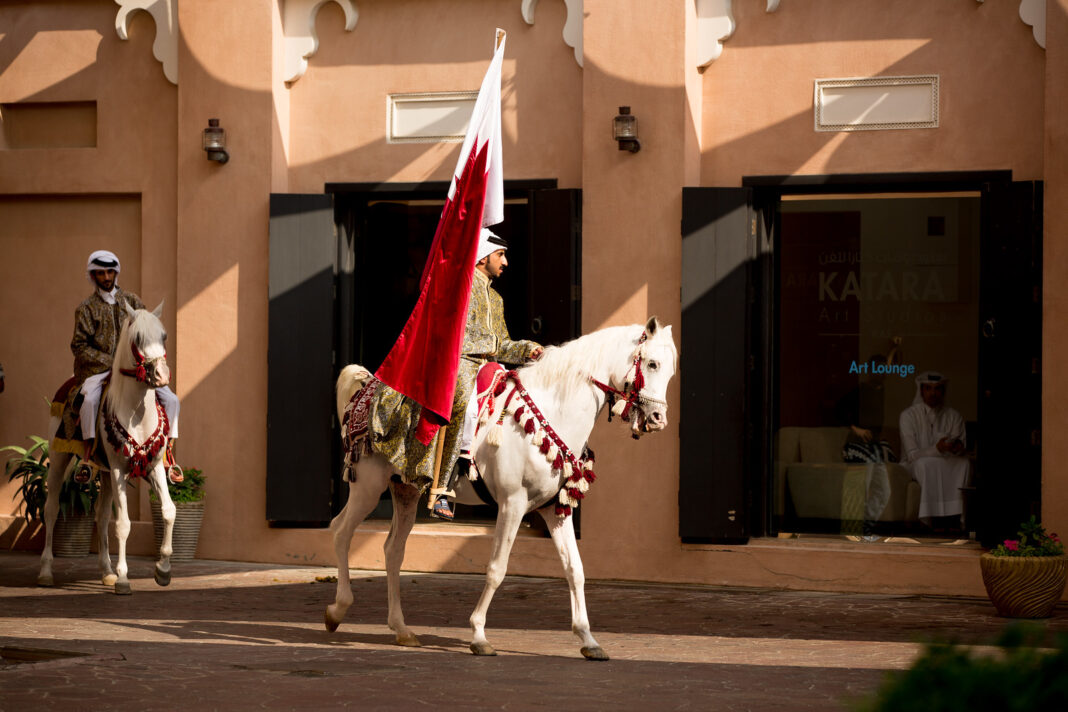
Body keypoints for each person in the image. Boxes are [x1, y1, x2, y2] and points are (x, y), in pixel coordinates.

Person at [430, 228, 543, 520]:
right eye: (500, 255)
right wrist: (492, 347)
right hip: (460, 365)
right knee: (462, 405)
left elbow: (501, 345)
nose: (505, 263)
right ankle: (443, 488)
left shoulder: (496, 299)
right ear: (482, 258)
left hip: (488, 369)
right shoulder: (459, 288)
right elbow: (450, 334)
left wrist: (528, 350)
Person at [72, 250, 181, 482]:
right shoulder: (86, 308)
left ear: (116, 273)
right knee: (90, 401)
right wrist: (111, 362)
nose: (106, 276)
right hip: (98, 371)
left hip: (134, 369)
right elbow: (79, 346)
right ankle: (88, 457)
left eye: (110, 271)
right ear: (93, 275)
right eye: (100, 272)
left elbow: (148, 332)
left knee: (172, 400)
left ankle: (167, 455)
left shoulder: (132, 301)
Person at [898, 371, 969, 532]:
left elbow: (961, 448)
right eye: (928, 388)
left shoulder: (953, 416)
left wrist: (956, 448)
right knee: (924, 464)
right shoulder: (908, 415)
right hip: (913, 464)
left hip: (946, 462)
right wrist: (937, 449)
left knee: (964, 463)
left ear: (943, 392)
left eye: (937, 389)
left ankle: (956, 518)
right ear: (921, 390)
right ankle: (929, 520)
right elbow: (912, 455)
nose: (933, 393)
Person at [834, 355, 892, 541]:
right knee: (859, 489)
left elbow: (893, 362)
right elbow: (839, 408)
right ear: (870, 370)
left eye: (884, 369)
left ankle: (864, 530)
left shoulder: (881, 389)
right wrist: (855, 428)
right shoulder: (861, 389)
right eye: (878, 369)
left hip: (874, 447)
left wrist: (894, 349)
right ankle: (854, 532)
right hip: (857, 447)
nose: (881, 373)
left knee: (884, 491)